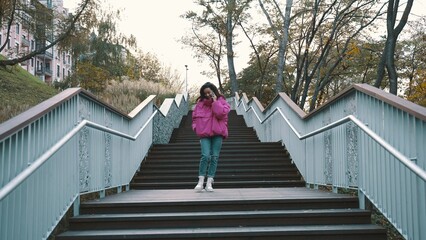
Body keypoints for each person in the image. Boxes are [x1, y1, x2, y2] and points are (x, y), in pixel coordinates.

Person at [192, 82, 230, 192]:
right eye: (205, 93)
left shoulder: (222, 102)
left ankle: (209, 182)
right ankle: (200, 181)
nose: (208, 95)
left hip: (218, 133)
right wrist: (196, 128)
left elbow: (220, 114)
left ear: (214, 91)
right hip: (204, 134)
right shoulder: (200, 104)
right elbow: (194, 118)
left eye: (209, 92)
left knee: (214, 157)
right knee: (205, 156)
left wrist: (215, 102)